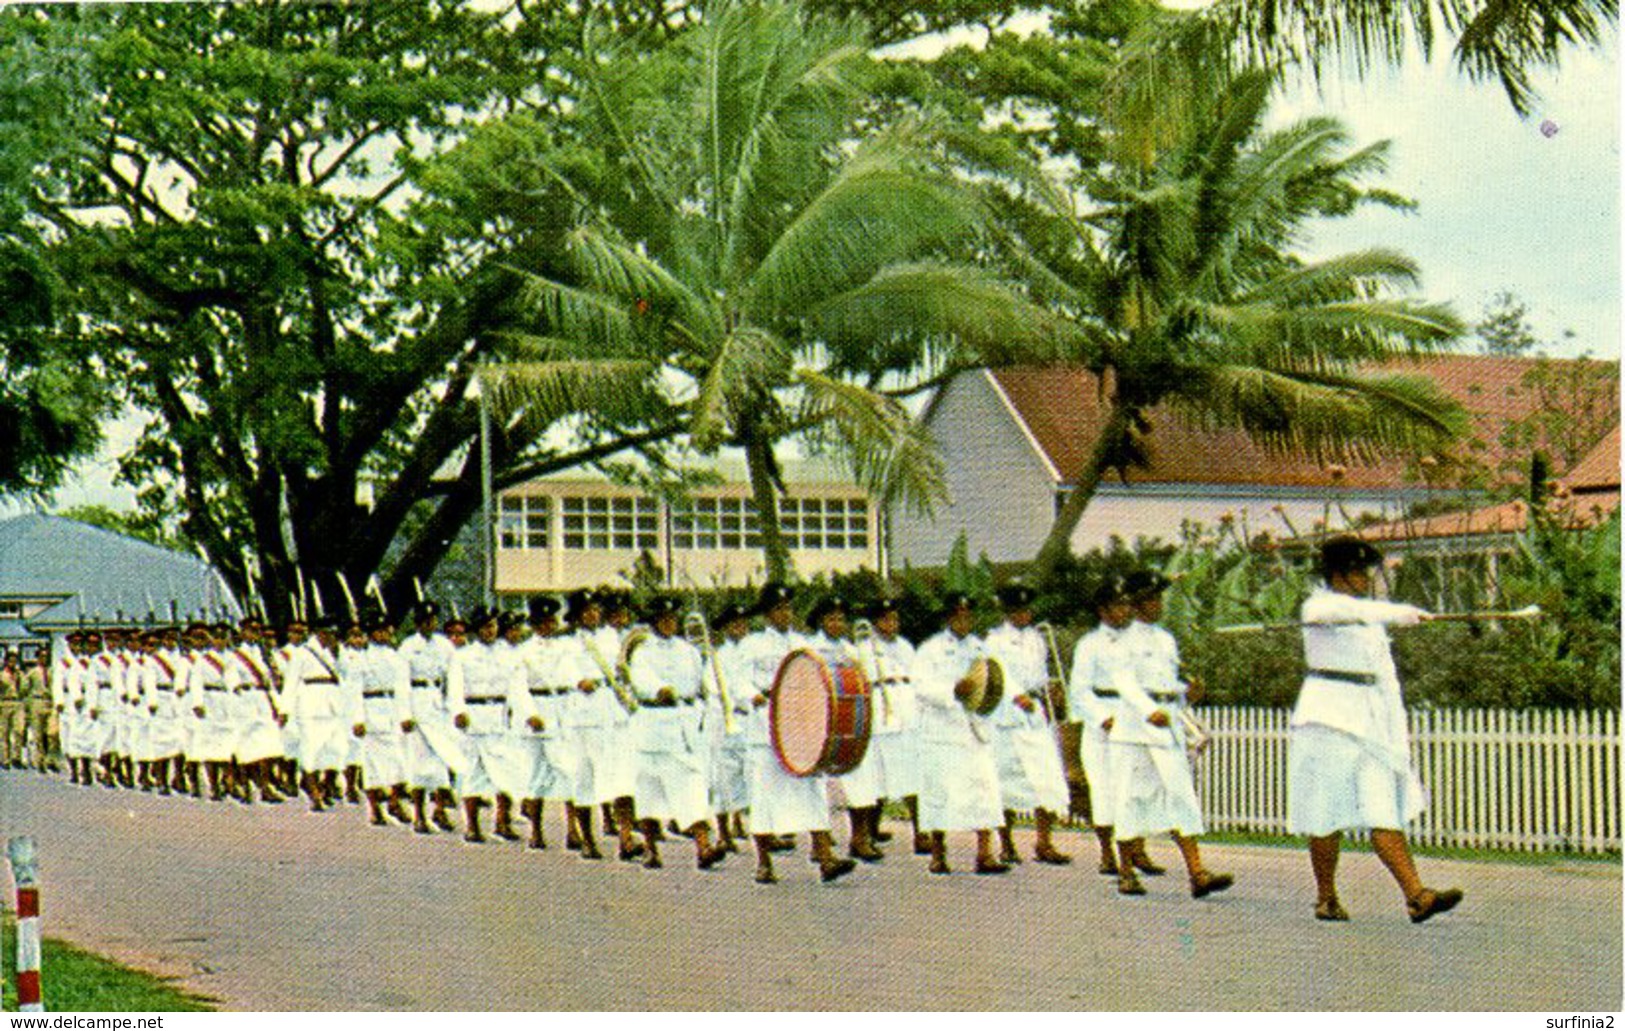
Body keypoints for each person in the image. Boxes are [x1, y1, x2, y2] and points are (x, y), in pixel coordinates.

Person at [1290, 536, 1463, 924]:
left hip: (1368, 719)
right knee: (1326, 811)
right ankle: (1326, 895)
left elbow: (1385, 676)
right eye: (1357, 572)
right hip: (1328, 717)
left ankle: (1417, 895)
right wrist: (1398, 612)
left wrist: (1393, 727)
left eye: (1367, 572)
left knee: (1382, 806)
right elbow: (1333, 613)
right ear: (1337, 574)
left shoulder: (1368, 618)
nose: (1365, 579)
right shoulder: (1319, 605)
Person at [1113, 569, 1232, 899]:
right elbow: (1125, 683)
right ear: (1136, 604)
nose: (1157, 604)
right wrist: (1145, 709)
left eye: (1158, 598)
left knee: (1181, 793)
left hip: (1166, 723)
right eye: (1151, 599)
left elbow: (1167, 684)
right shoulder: (1123, 641)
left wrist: (1186, 692)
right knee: (1129, 797)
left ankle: (1197, 872)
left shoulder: (1165, 639)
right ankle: (1125, 872)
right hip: (1135, 730)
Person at [741, 583, 855, 884]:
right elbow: (736, 681)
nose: (785, 614)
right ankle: (764, 862)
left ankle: (825, 857)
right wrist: (750, 696)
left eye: (788, 608)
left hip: (798, 723)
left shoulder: (802, 644)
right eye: (778, 609)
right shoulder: (751, 645)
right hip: (764, 722)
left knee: (813, 789)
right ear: (766, 614)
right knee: (764, 794)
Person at [625, 596, 725, 871]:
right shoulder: (643, 651)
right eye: (663, 619)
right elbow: (641, 680)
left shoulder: (688, 650)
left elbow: (703, 683)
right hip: (652, 725)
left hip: (683, 726)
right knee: (649, 790)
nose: (669, 623)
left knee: (691, 786)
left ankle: (703, 847)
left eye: (672, 619)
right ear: (654, 622)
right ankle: (650, 848)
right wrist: (659, 689)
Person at [911, 593, 1008, 875]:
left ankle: (985, 853)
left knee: (983, 788)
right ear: (947, 618)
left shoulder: (982, 649)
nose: (963, 621)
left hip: (973, 727)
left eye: (968, 616)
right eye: (958, 616)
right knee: (939, 791)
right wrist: (952, 690)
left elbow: (996, 684)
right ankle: (939, 854)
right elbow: (920, 686)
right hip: (941, 728)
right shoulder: (930, 649)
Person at [982, 584, 1072, 865]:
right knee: (1005, 779)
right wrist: (1015, 695)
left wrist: (1050, 691)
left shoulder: (1036, 638)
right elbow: (995, 673)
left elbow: (1042, 673)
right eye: (1017, 610)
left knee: (1045, 776)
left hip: (1035, 710)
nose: (1024, 615)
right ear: (1007, 612)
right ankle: (1006, 844)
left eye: (1027, 609)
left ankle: (1044, 842)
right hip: (1008, 713)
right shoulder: (994, 640)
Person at [1067, 577, 1140, 877]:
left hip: (1134, 713)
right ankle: (1108, 853)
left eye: (1126, 604)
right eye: (1117, 605)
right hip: (1104, 717)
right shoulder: (1090, 645)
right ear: (1103, 611)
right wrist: (1101, 717)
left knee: (1134, 787)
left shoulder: (1139, 640)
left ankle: (1137, 851)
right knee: (1105, 790)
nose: (1124, 611)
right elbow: (1079, 690)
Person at [853, 598, 924, 854]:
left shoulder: (905, 646)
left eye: (894, 618)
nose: (891, 624)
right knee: (878, 775)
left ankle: (921, 832)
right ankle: (869, 831)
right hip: (882, 709)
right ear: (875, 622)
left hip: (906, 707)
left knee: (914, 772)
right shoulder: (863, 648)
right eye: (885, 619)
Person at [0, 651, 22, 768]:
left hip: (17, 702)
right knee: (4, 733)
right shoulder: (2, 675)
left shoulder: (19, 674)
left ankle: (16, 757)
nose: (12, 663)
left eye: (14, 661)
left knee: (18, 731)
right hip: (4, 703)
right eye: (10, 661)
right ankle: (5, 759)